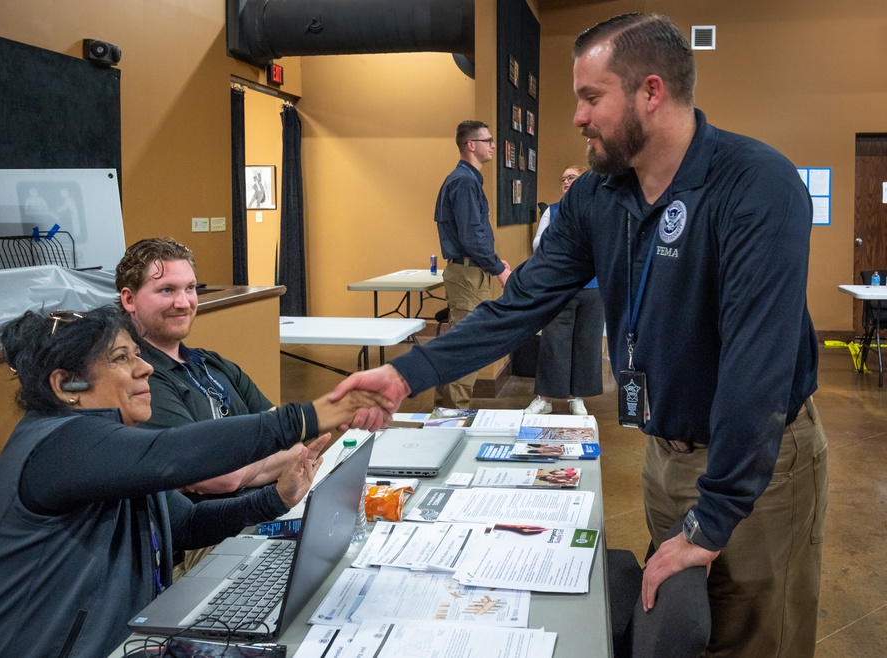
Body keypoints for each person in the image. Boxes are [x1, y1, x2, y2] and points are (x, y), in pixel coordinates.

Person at [333, 13, 827, 657]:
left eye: (592, 97)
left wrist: (712, 520)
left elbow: (754, 370)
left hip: (760, 464)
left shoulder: (755, 185)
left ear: (652, 92)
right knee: (683, 625)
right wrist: (406, 375)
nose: (577, 117)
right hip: (665, 452)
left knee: (755, 639)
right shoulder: (598, 196)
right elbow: (520, 305)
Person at [0, 306, 382, 657]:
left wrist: (273, 499)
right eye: (121, 358)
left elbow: (186, 527)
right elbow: (174, 456)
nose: (145, 368)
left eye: (136, 353)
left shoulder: (106, 448)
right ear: (66, 385)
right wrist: (308, 415)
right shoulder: (59, 446)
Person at [116, 237, 319, 573]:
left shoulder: (212, 364)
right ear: (129, 299)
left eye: (190, 288)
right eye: (166, 290)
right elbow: (221, 478)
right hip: (211, 537)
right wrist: (237, 470)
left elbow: (291, 443)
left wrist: (237, 472)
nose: (183, 302)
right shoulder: (141, 378)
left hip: (270, 508)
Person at [434, 120, 512, 408]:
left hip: (469, 270)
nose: (492, 145)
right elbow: (472, 236)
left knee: (461, 343)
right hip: (468, 275)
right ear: (471, 145)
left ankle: (448, 412)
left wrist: (490, 260)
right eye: (487, 140)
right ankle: (451, 417)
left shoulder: (463, 179)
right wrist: (499, 269)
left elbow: (473, 235)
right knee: (466, 346)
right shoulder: (465, 181)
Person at [524, 164, 605, 416]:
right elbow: (538, 244)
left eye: (572, 177)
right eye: (563, 179)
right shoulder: (553, 211)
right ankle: (545, 399)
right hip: (559, 288)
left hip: (593, 288)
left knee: (586, 343)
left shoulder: (600, 209)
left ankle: (577, 398)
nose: (566, 182)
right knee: (554, 342)